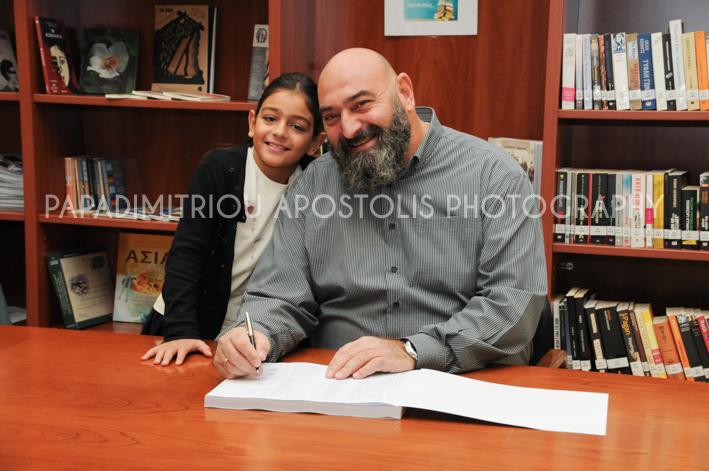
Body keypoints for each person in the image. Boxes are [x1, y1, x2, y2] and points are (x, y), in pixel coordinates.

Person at [214, 48, 547, 380]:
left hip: (464, 381)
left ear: (404, 93)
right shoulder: (314, 184)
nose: (348, 129)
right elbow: (278, 295)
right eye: (331, 117)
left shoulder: (494, 177)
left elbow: (511, 304)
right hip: (339, 386)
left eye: (361, 104)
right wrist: (253, 335)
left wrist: (413, 350)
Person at [140, 72, 326, 366]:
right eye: (270, 119)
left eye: (297, 126)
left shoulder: (315, 184)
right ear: (252, 122)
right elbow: (186, 254)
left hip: (254, 335)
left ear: (316, 142)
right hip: (184, 323)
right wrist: (180, 330)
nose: (280, 132)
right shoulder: (220, 169)